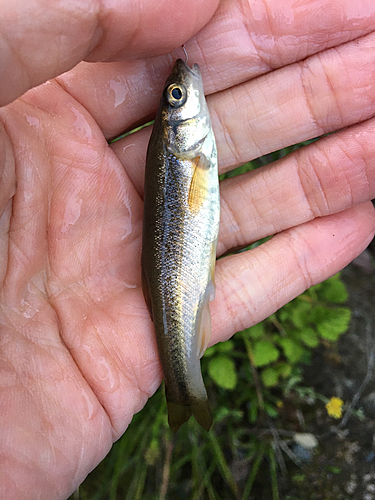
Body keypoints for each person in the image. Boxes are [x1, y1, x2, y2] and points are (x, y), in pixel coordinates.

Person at [1, 0, 374, 498]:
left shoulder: (186, 145)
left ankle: (184, 387)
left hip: (180, 255)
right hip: (181, 258)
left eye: (175, 94)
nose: (184, 85)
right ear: (179, 121)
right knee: (187, 306)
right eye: (178, 95)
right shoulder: (187, 145)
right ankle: (184, 385)